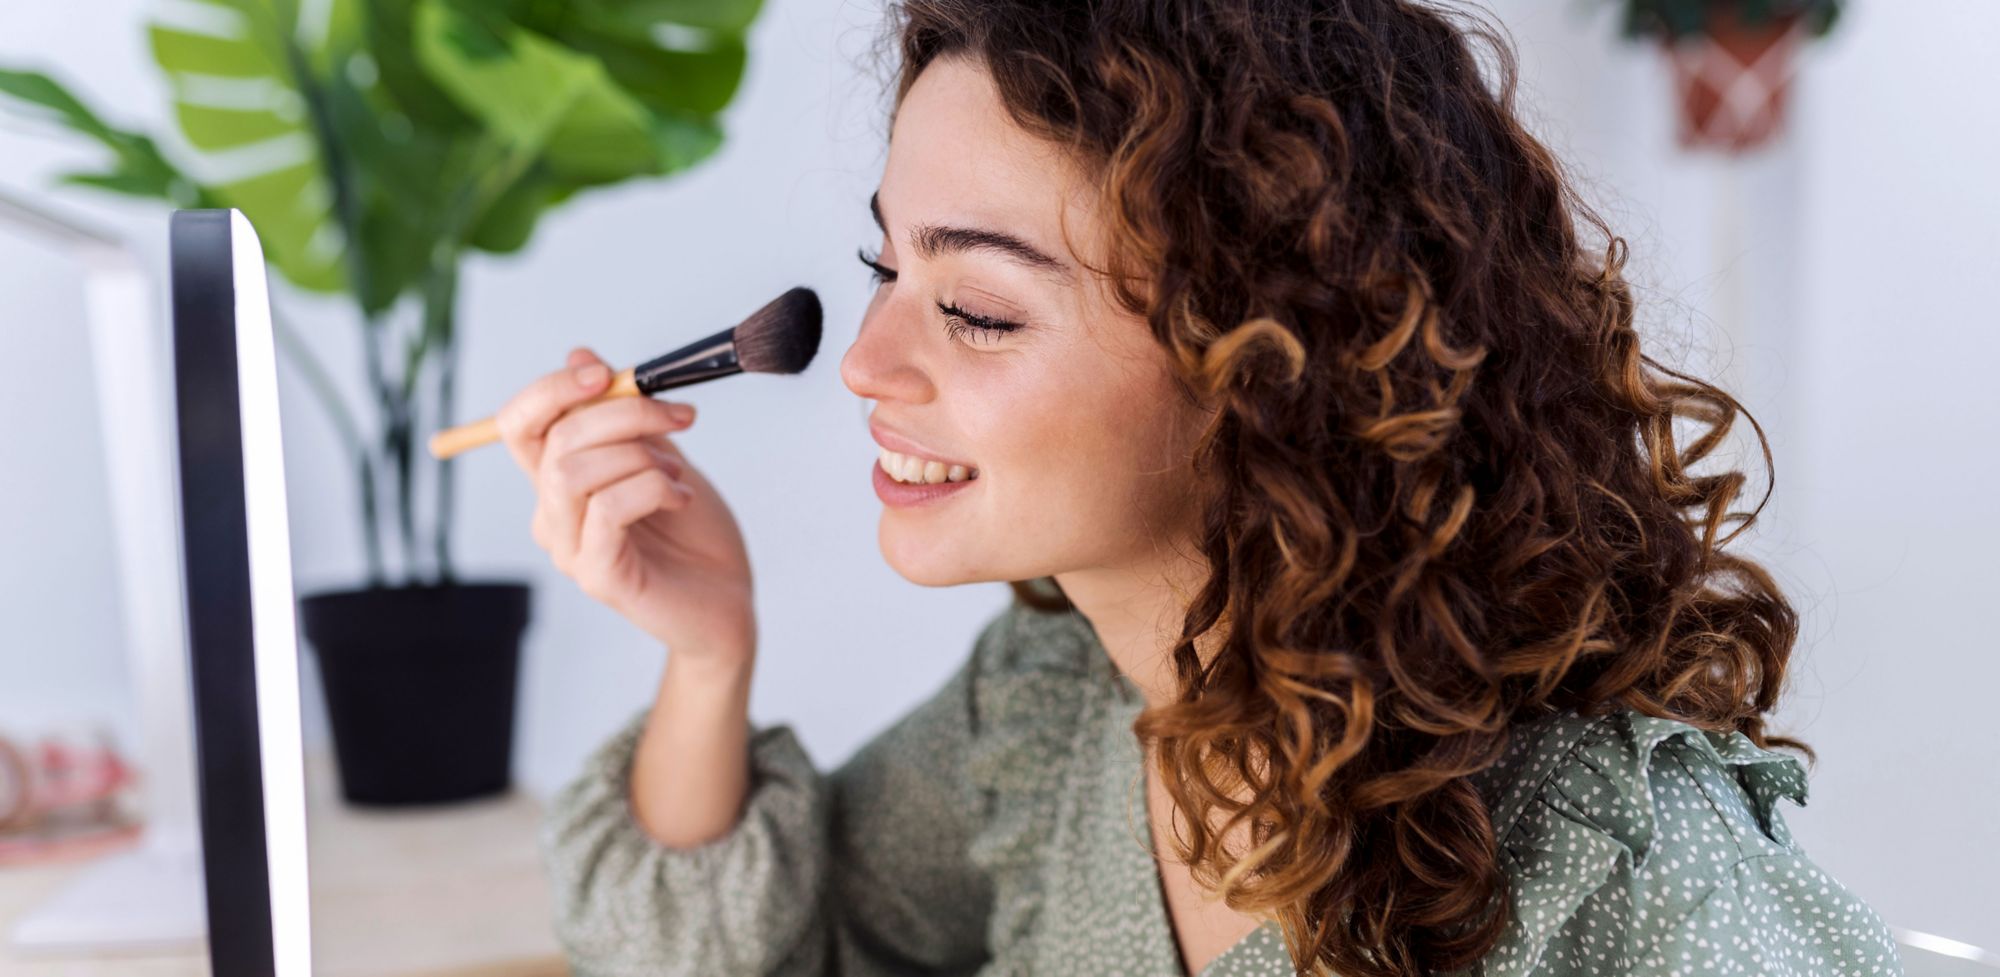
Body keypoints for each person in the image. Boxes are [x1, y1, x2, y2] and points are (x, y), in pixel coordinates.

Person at [492, 1, 1904, 975]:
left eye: (976, 307)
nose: (863, 361)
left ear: (1271, 362)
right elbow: (762, 951)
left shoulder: (1624, 867)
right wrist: (705, 650)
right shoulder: (1053, 701)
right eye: (885, 269)